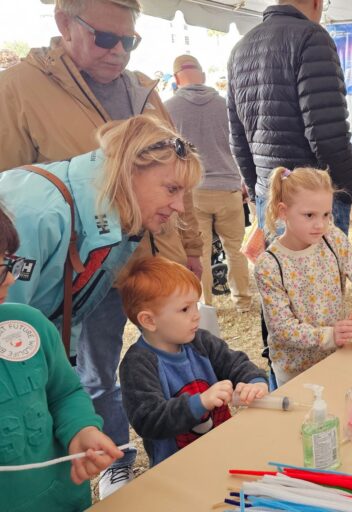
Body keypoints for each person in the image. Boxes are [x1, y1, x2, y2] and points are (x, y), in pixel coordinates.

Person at [0, 0, 203, 496]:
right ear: (65, 25)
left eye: (129, 40)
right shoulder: (38, 215)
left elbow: (50, 363)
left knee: (73, 376)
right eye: (106, 38)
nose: (119, 51)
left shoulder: (141, 95)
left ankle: (95, 471)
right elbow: (14, 328)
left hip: (89, 274)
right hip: (45, 278)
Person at [0, 206, 125, 512]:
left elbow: (65, 392)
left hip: (64, 501)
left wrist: (81, 430)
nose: (11, 280)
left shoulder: (28, 325)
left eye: (6, 262)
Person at [117, 257, 268, 467]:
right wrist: (200, 402)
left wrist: (254, 381)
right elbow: (148, 419)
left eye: (195, 305)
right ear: (149, 320)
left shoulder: (201, 341)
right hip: (177, 468)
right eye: (185, 309)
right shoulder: (138, 364)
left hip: (223, 450)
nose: (196, 316)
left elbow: (235, 363)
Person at [227, 0, 352, 235]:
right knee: (319, 270)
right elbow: (328, 133)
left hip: (269, 195)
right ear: (317, 3)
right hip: (310, 202)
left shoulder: (240, 48)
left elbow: (238, 138)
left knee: (278, 269)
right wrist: (349, 189)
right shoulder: (312, 36)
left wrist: (257, 188)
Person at [254, 167, 352, 386]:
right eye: (309, 215)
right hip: (294, 372)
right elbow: (282, 328)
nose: (320, 224)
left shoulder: (333, 239)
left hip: (336, 357)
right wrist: (328, 336)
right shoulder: (269, 265)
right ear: (283, 211)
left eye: (326, 215)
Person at [165, 54, 252, 313]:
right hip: (228, 186)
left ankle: (206, 305)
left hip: (193, 191)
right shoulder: (225, 105)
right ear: (202, 75)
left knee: (199, 252)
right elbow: (240, 146)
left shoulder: (167, 108)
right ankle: (243, 302)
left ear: (177, 77)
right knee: (235, 249)